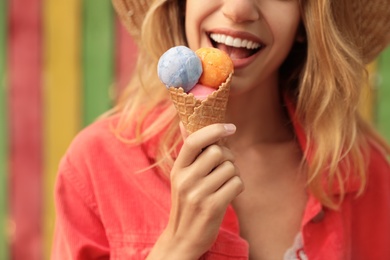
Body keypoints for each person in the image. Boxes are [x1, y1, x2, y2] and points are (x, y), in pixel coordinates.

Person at [51, 0, 390, 259]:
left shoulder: (365, 172)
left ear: (305, 18)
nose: (239, 9)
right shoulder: (95, 165)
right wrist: (177, 245)